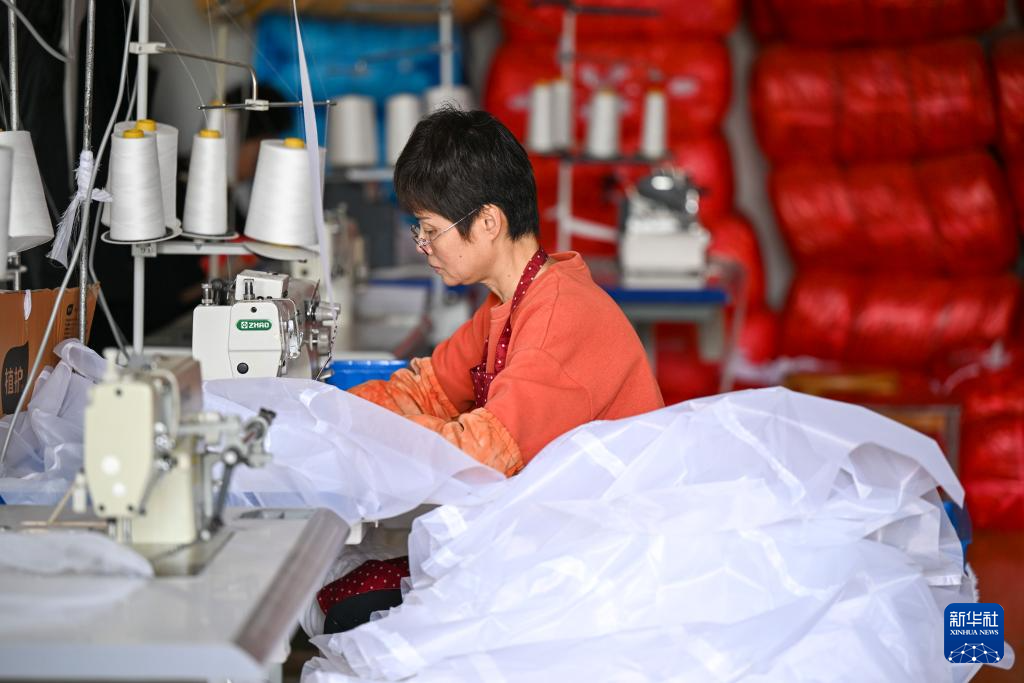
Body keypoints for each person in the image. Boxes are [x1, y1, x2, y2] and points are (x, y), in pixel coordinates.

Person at [349, 108, 664, 475]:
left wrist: (365, 430)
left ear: (488, 222)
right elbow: (426, 391)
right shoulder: (509, 302)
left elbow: (480, 457)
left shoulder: (560, 318)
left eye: (431, 230)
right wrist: (333, 412)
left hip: (609, 509)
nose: (423, 246)